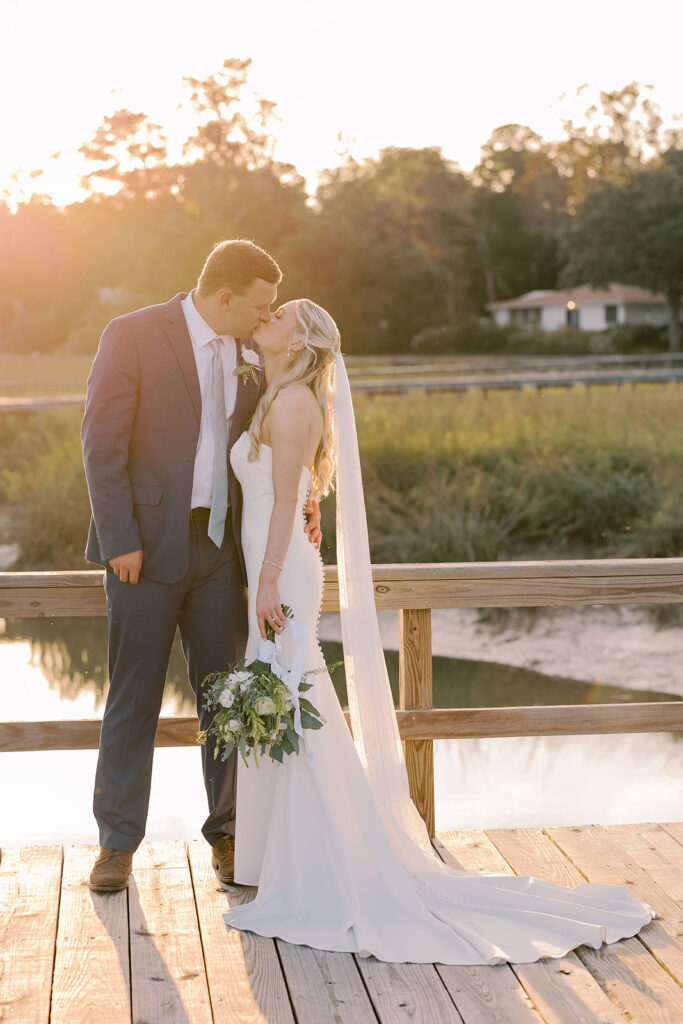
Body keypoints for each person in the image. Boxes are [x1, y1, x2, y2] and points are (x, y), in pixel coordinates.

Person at [225, 296, 656, 964]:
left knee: (300, 713)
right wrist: (290, 536)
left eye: (278, 316)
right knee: (296, 710)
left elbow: (283, 498)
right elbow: (296, 494)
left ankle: (320, 868)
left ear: (302, 342)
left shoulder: (288, 404)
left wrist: (269, 578)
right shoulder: (281, 394)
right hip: (278, 565)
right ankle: (297, 860)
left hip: (278, 574)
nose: (265, 319)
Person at [81, 240, 322, 893]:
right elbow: (101, 446)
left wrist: (308, 499)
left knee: (227, 698)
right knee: (132, 699)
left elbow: (281, 436)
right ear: (225, 297)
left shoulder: (252, 352)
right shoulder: (131, 335)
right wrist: (119, 538)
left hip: (221, 555)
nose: (263, 316)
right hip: (144, 551)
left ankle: (228, 833)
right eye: (259, 304)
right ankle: (117, 845)